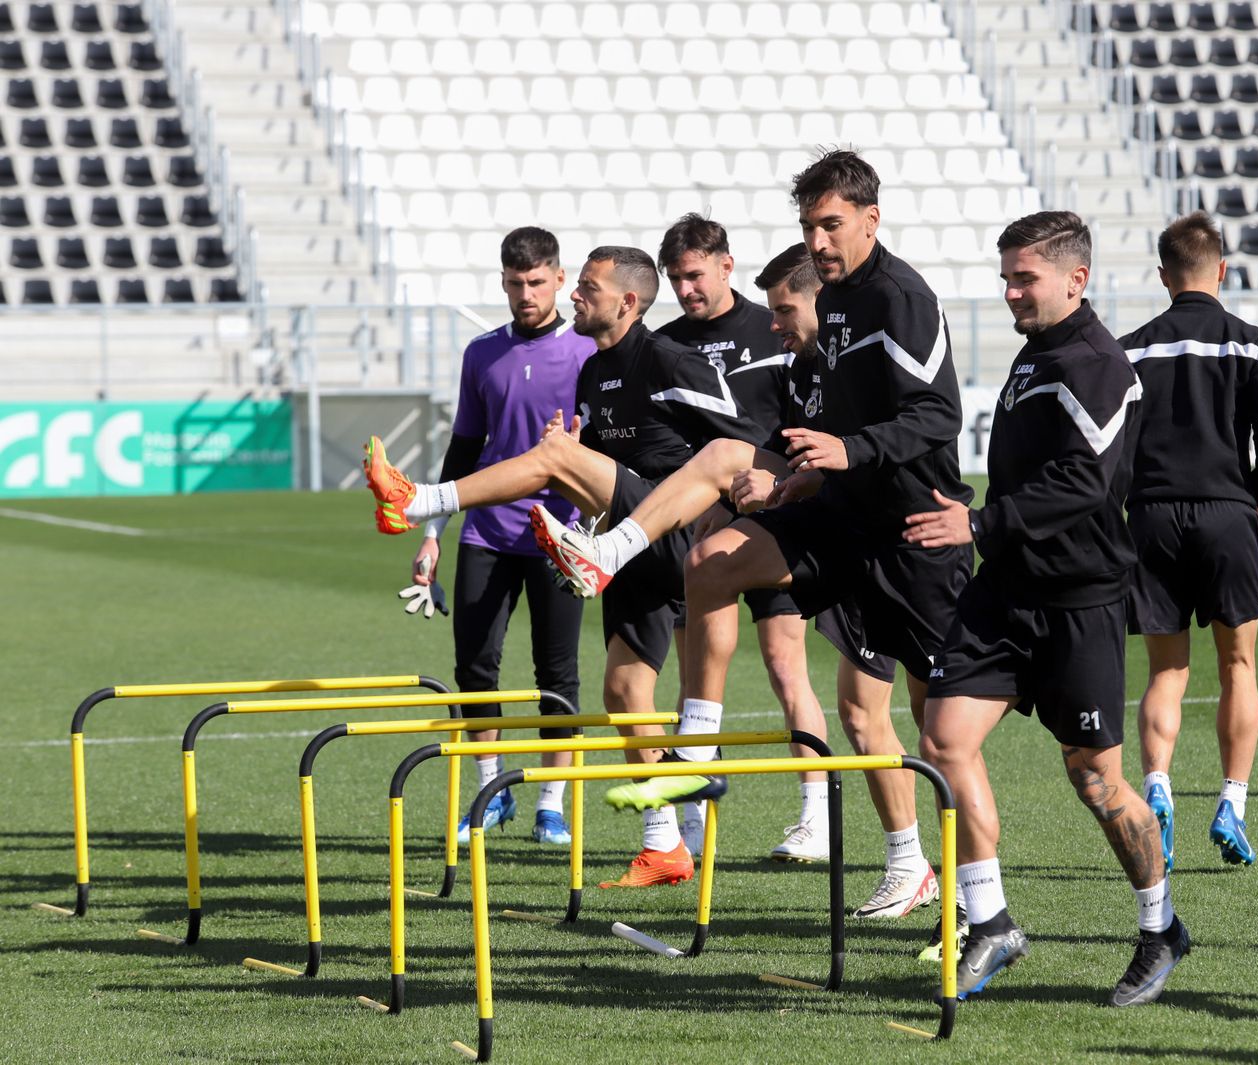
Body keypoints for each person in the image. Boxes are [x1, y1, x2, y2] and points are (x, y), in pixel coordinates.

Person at [568, 150, 972, 950]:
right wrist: (787, 484)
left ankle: (966, 895)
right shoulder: (806, 364)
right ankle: (697, 750)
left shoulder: (895, 301)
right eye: (809, 227)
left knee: (924, 729)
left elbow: (936, 418)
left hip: (915, 536)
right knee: (711, 556)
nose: (778, 329)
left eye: (787, 314)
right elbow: (799, 455)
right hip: (842, 528)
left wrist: (837, 458)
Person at [364, 245, 764, 888]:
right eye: (576, 286)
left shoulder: (666, 358)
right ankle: (664, 847)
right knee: (624, 694)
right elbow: (594, 478)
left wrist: (728, 513)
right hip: (628, 543)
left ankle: (421, 501)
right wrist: (579, 504)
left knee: (552, 455)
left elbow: (743, 442)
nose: (575, 296)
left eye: (587, 287)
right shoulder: (593, 372)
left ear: (627, 302)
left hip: (671, 527)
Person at [914, 210, 1189, 1005]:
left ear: (1077, 278)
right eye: (1006, 278)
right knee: (943, 735)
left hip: (1079, 600)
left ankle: (1160, 925)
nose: (1010, 293)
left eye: (1024, 278)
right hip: (1005, 591)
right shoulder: (1038, 355)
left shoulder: (1099, 363)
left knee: (1098, 781)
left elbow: (1089, 484)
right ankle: (991, 919)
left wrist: (980, 521)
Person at [397, 227, 590, 844]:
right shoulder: (481, 353)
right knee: (475, 668)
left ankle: (551, 807)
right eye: (515, 283)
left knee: (557, 676)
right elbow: (463, 448)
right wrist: (434, 534)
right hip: (486, 533)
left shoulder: (589, 350)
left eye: (537, 282)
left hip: (561, 534)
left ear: (560, 278)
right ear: (503, 282)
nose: (526, 293)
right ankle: (491, 789)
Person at [1118, 212, 1258, 870]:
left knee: (1167, 670)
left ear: (1164, 276)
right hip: (1226, 511)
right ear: (1222, 269)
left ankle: (1158, 788)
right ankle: (1232, 801)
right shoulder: (1252, 343)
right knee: (1238, 666)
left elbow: (1109, 439)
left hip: (1152, 516)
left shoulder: (1130, 348)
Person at [654, 214, 832, 863]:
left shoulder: (777, 323)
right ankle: (692, 831)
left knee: (787, 664)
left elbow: (790, 430)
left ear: (726, 266)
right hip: (701, 521)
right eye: (675, 278)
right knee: (696, 670)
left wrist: (761, 493)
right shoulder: (664, 342)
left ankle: (816, 816)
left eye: (695, 274)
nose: (686, 289)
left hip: (775, 511)